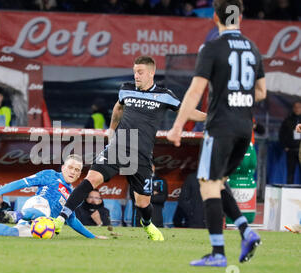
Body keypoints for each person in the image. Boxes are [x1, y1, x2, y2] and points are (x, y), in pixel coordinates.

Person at [52, 55, 206, 241]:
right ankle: (61, 219)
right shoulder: (126, 89)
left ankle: (147, 224)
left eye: (140, 72)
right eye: (134, 72)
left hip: (141, 155)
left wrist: (210, 116)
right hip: (119, 146)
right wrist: (111, 130)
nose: (136, 76)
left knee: (143, 203)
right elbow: (118, 108)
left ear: (151, 73)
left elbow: (188, 112)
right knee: (91, 179)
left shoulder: (165, 95)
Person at [167, 0, 267, 267]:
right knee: (217, 182)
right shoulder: (254, 48)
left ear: (214, 17)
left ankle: (218, 253)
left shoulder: (212, 48)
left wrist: (177, 126)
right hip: (245, 128)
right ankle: (247, 231)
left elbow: (195, 90)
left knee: (207, 184)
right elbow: (261, 92)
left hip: (221, 126)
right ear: (241, 17)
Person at [0, 155, 108, 239]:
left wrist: (92, 237)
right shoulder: (50, 175)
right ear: (63, 168)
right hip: (36, 205)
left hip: (40, 224)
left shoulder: (74, 195)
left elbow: (72, 220)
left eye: (77, 170)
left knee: (11, 233)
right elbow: (22, 183)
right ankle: (17, 215)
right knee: (43, 212)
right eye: (70, 167)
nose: (73, 172)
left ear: (80, 174)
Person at [130, 162, 167, 227]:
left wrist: (144, 195)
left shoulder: (161, 181)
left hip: (156, 218)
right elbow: (134, 196)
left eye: (151, 166)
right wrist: (152, 193)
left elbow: (162, 198)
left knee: (156, 236)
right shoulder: (136, 180)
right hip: (139, 217)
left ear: (154, 168)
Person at [278, 101, 301, 184]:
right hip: (291, 149)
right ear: (293, 108)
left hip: (300, 149)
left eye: (299, 107)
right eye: (295, 107)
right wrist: (285, 146)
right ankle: (289, 191)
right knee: (290, 172)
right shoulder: (288, 120)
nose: (297, 109)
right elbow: (281, 134)